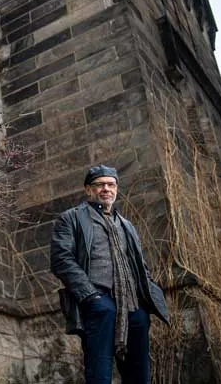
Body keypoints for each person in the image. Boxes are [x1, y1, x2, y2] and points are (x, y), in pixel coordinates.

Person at [50, 164, 169, 384]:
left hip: (134, 307)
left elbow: (140, 264)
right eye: (99, 184)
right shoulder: (71, 218)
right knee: (99, 374)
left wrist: (147, 296)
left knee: (139, 376)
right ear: (88, 190)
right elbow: (61, 260)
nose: (106, 189)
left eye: (111, 184)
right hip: (99, 304)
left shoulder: (127, 225)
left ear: (116, 189)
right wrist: (90, 297)